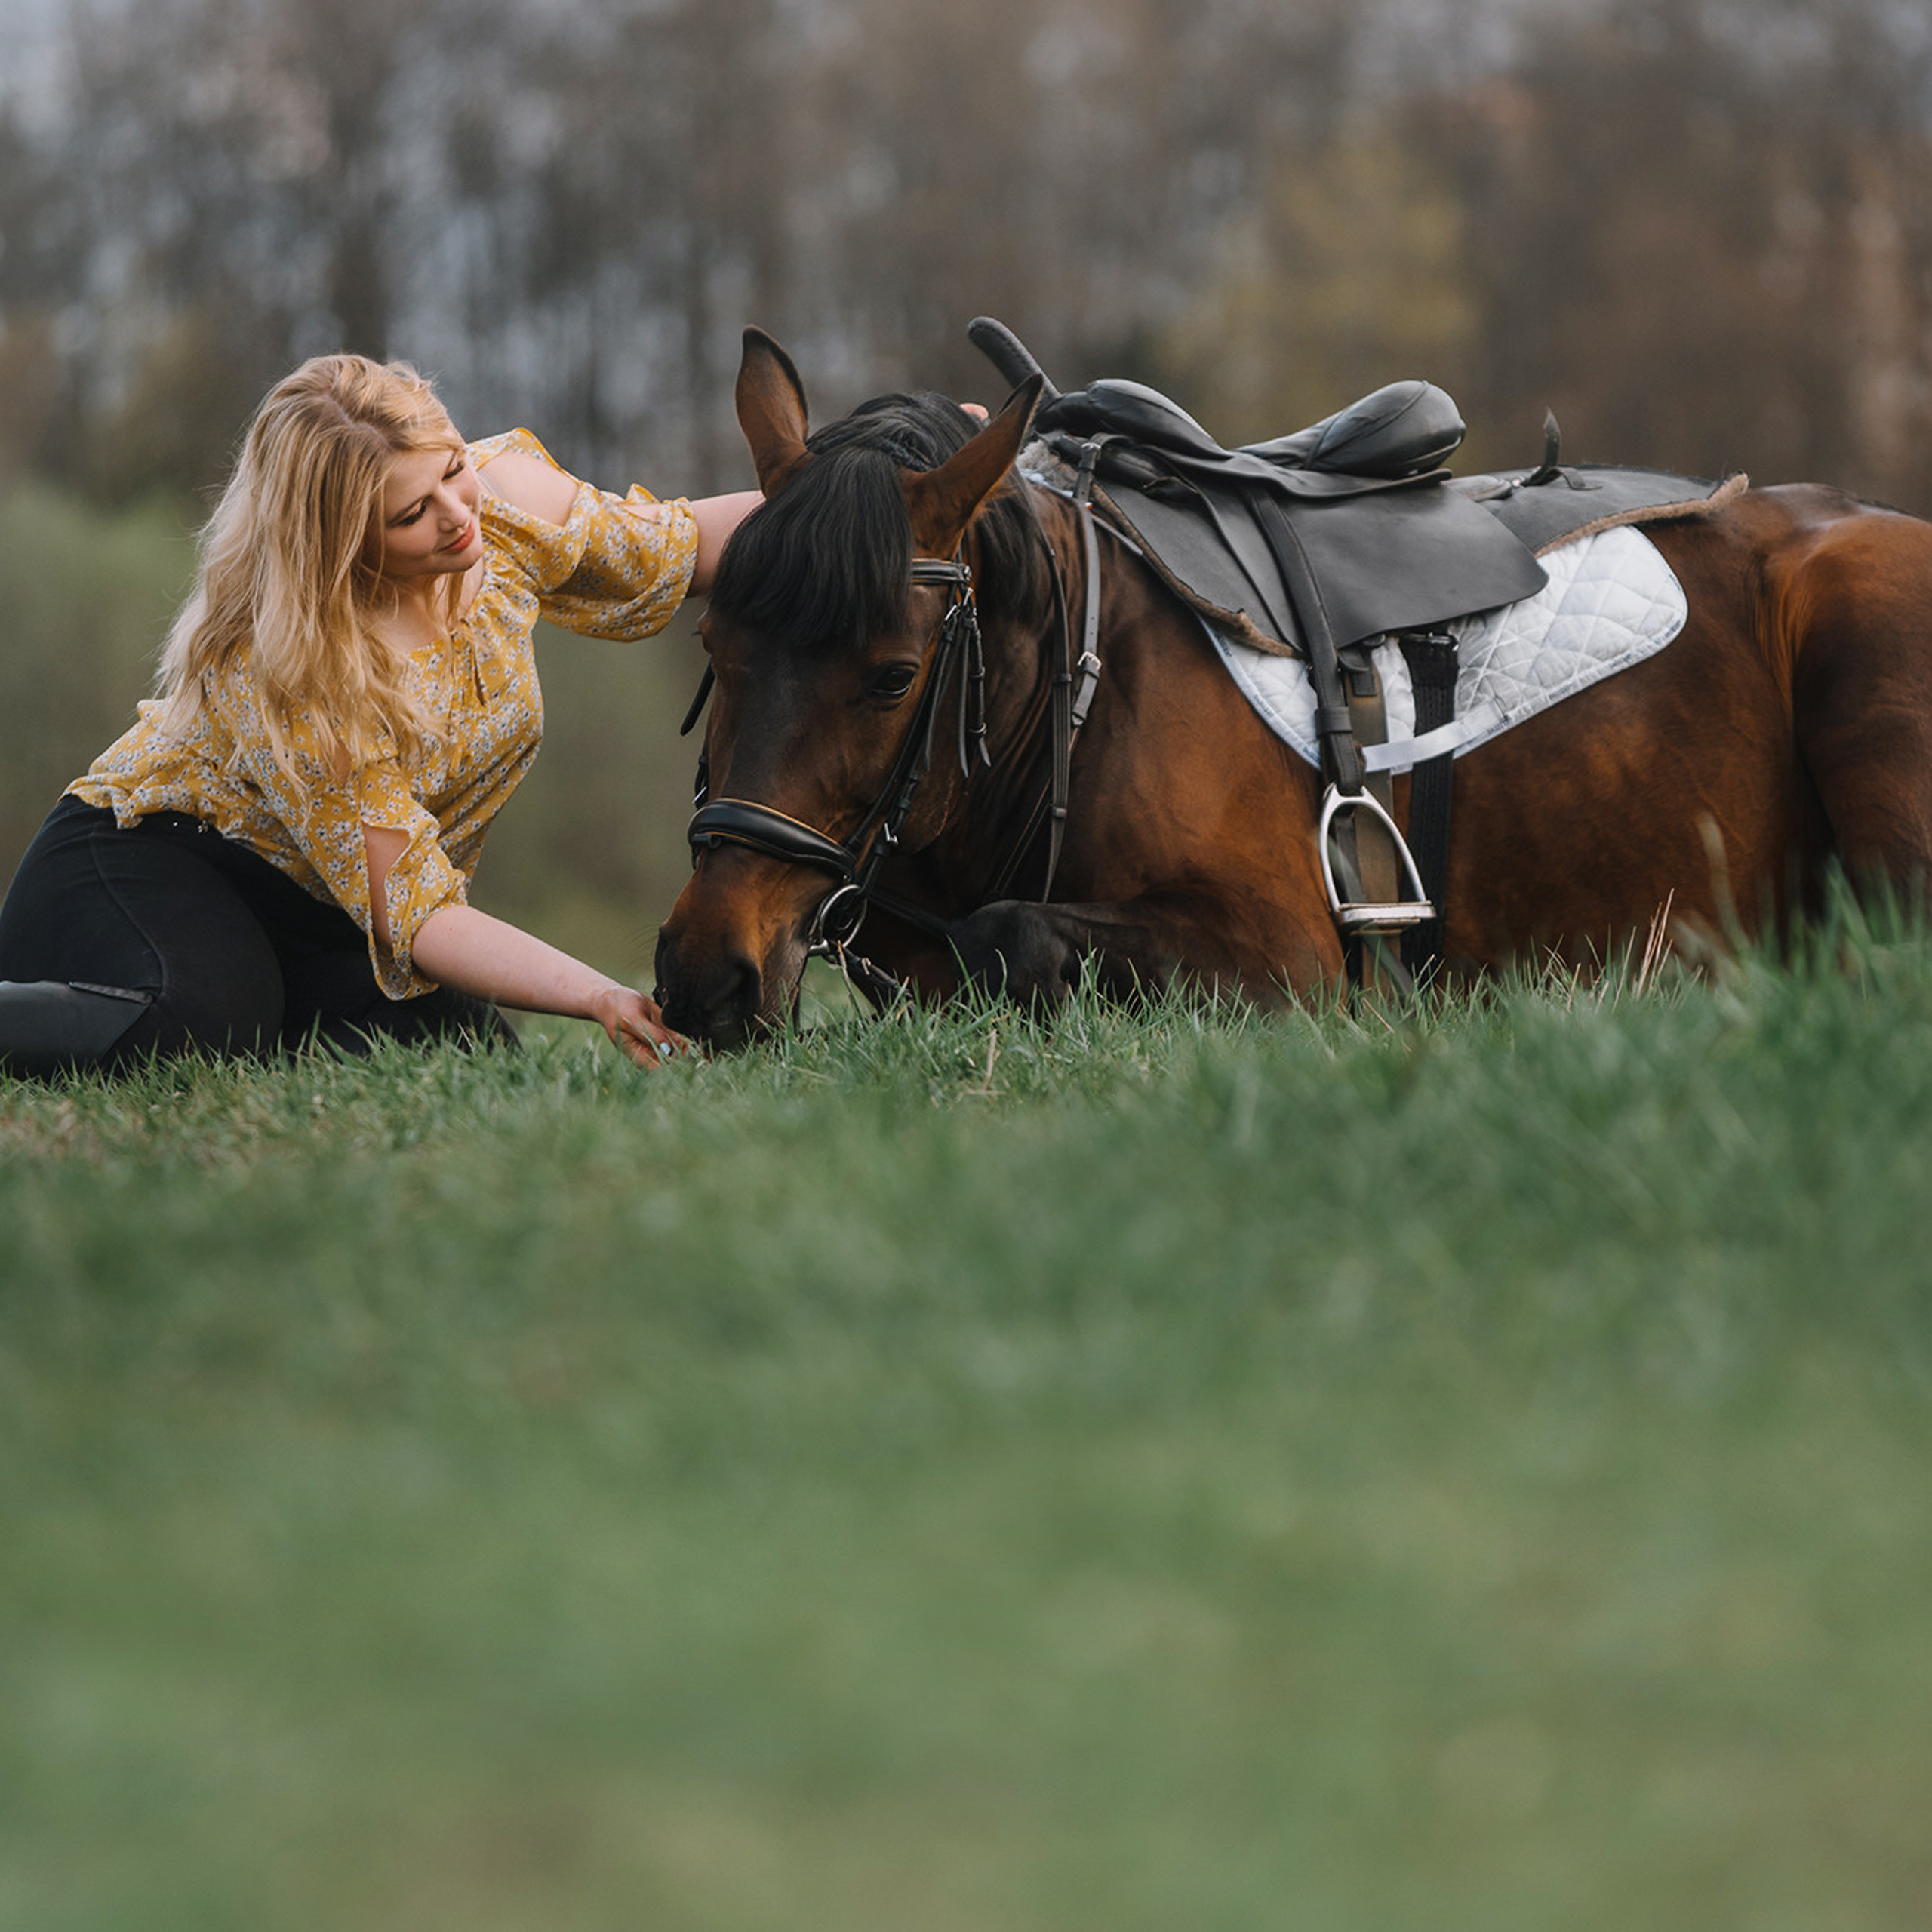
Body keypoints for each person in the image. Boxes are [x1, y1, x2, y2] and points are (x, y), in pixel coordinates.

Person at [0, 354, 761, 1078]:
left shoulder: (501, 506)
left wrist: (862, 482)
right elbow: (416, 913)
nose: (458, 514)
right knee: (198, 1024)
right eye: (411, 513)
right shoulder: (302, 667)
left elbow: (681, 545)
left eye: (453, 471)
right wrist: (595, 992)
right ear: (342, 543)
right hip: (148, 860)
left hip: (324, 905)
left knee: (472, 1059)